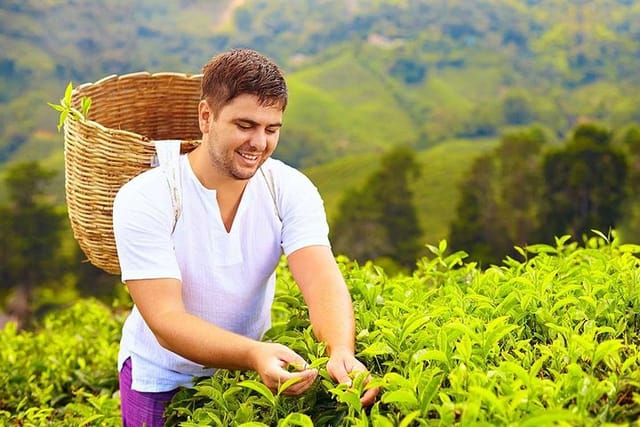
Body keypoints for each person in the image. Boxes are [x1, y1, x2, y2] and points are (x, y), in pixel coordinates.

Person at [112, 48, 378, 426]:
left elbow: (319, 274)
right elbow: (166, 320)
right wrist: (253, 353)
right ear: (206, 116)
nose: (259, 143)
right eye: (245, 125)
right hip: (162, 375)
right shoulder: (148, 196)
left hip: (246, 375)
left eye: (272, 129)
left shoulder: (288, 188)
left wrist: (340, 349)